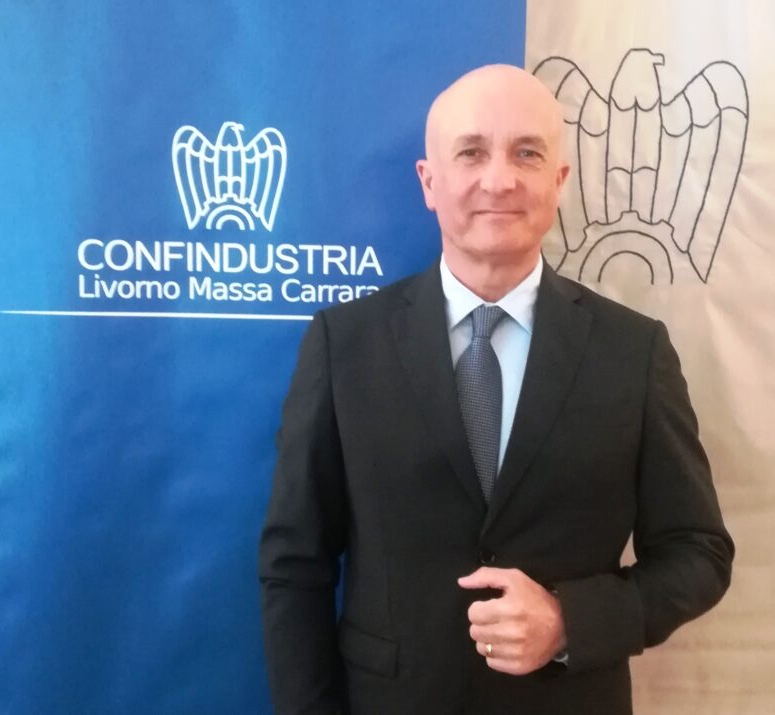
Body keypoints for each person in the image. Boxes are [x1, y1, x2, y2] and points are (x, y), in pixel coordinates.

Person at [259, 64, 734, 715]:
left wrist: (571, 621)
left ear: (559, 181)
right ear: (429, 181)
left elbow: (698, 552)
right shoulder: (345, 345)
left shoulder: (634, 352)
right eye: (472, 152)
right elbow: (295, 563)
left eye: (527, 153)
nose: (500, 179)